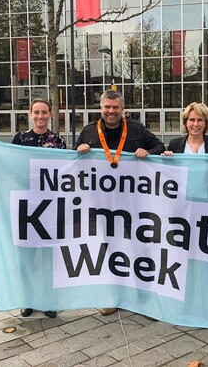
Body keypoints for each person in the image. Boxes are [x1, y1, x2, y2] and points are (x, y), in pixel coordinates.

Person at [75, 89, 165, 316]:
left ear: (122, 110)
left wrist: (147, 151)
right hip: (102, 205)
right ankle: (111, 296)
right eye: (107, 107)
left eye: (115, 108)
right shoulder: (88, 132)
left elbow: (160, 147)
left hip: (133, 203)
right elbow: (72, 163)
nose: (111, 111)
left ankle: (143, 297)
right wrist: (79, 151)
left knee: (139, 247)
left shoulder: (136, 129)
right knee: (108, 248)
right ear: (101, 109)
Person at [0, 98, 66, 319]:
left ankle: (48, 300)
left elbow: (66, 170)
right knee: (26, 257)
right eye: (36, 112)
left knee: (48, 258)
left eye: (44, 112)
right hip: (26, 208)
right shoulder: (19, 139)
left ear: (50, 114)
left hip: (49, 207)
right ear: (30, 114)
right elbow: (9, 165)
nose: (40, 116)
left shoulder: (58, 141)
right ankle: (28, 299)